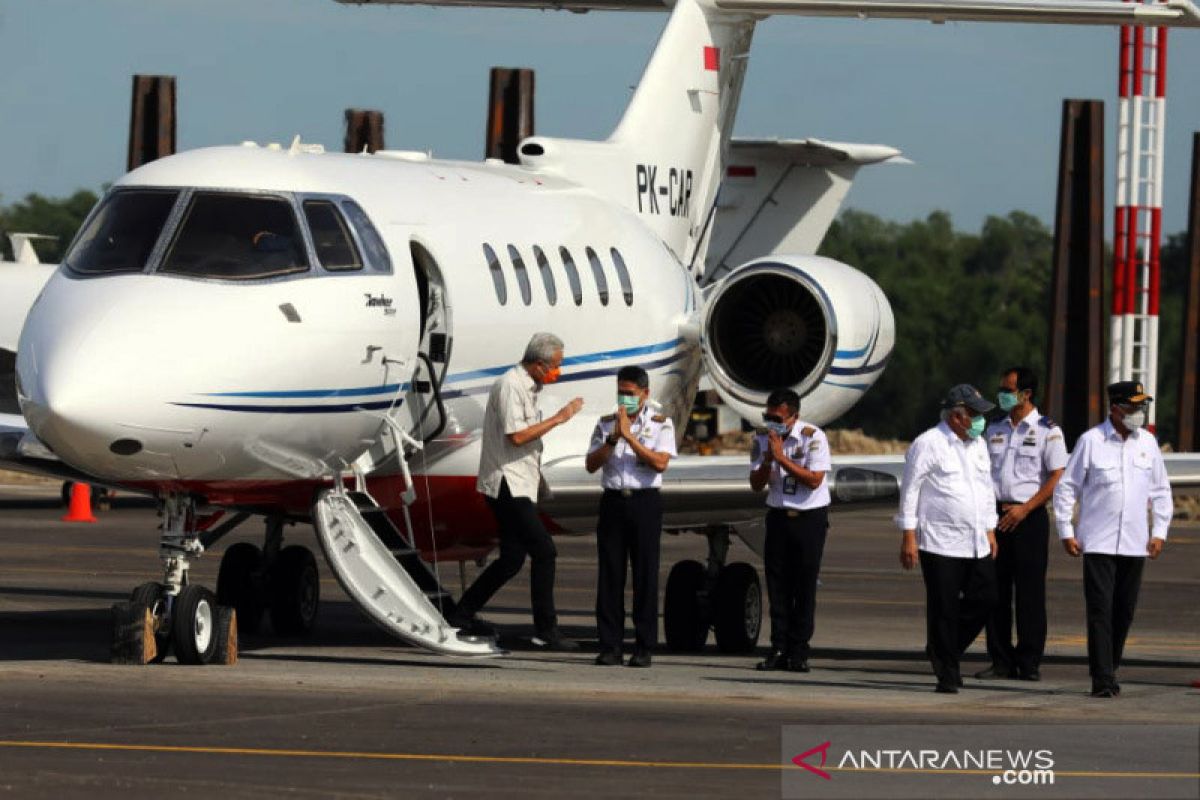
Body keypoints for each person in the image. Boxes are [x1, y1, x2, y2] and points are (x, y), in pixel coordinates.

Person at [451, 332, 585, 650]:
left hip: (518, 481)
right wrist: (560, 418)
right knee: (545, 551)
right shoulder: (511, 386)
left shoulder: (527, 386)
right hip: (507, 483)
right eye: (555, 366)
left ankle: (461, 613)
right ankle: (546, 629)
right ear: (538, 364)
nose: (558, 372)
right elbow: (518, 437)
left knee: (511, 559)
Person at [1052, 381, 1172, 698]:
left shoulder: (1148, 443)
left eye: (1141, 408)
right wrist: (1066, 530)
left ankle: (1111, 665)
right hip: (1098, 542)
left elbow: (1161, 492)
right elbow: (1067, 488)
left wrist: (1159, 532)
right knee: (1100, 611)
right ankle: (1102, 677)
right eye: (1133, 408)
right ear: (1115, 409)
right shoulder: (1091, 441)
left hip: (1135, 543)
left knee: (1124, 611)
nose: (1139, 414)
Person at [897, 384, 999, 693]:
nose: (981, 420)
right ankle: (947, 674)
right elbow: (910, 489)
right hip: (939, 540)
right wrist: (908, 536)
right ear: (957, 416)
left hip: (976, 539)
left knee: (987, 599)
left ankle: (944, 649)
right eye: (976, 414)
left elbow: (985, 488)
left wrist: (990, 528)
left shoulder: (978, 445)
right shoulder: (929, 443)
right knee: (943, 608)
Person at [977, 366, 1068, 682]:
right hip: (996, 517)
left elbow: (1057, 475)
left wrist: (1026, 508)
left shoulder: (1048, 430)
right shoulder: (995, 428)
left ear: (1026, 394)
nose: (1001, 394)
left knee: (1029, 594)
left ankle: (1028, 662)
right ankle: (1000, 660)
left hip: (1028, 518)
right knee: (995, 593)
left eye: (1007, 389)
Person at [585, 366, 676, 667]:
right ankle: (610, 645)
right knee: (610, 575)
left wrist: (631, 439)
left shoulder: (661, 424)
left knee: (645, 575)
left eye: (630, 394)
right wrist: (613, 440)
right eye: (621, 393)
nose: (625, 399)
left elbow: (659, 463)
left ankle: (644, 646)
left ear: (645, 394)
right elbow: (591, 464)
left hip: (644, 502)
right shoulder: (605, 424)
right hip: (613, 501)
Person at [749, 388, 832, 673]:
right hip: (779, 516)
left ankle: (799, 651)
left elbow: (814, 479)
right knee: (778, 586)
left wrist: (782, 458)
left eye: (778, 419)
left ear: (794, 417)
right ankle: (778, 647)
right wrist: (769, 459)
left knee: (804, 586)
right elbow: (756, 483)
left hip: (809, 518)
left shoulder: (812, 437)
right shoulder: (761, 438)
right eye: (768, 417)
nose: (773, 423)